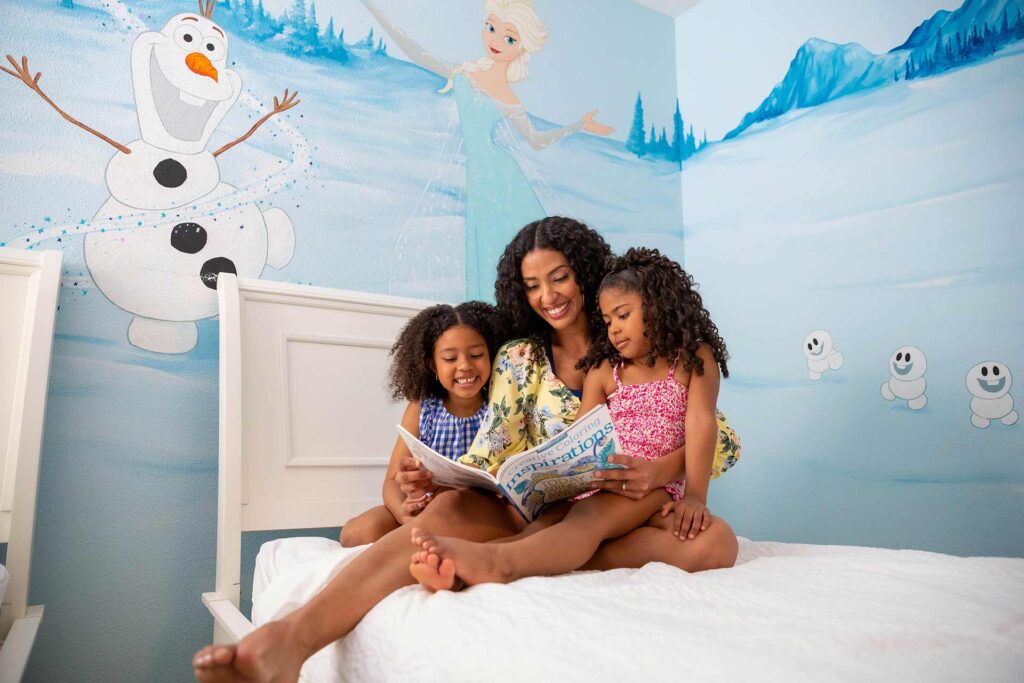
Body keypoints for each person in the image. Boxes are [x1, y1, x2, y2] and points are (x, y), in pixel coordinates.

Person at [191, 218, 728, 682]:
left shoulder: (642, 351)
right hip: (520, 506)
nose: (549, 295)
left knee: (713, 545)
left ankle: (538, 559)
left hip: (613, 506)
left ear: (588, 275)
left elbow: (715, 436)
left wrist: (659, 469)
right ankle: (289, 639)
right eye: (533, 285)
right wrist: (446, 476)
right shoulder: (519, 357)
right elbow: (493, 441)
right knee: (433, 521)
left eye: (560, 277)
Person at [409, 248, 739, 589]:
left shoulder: (694, 359)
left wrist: (696, 497)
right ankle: (466, 569)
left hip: (652, 487)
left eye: (623, 315)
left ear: (657, 306)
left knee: (713, 542)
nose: (614, 330)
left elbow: (701, 424)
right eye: (608, 321)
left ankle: (502, 564)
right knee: (548, 525)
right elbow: (579, 438)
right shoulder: (605, 370)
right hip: (599, 484)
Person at [362, 0, 614, 299]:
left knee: (521, 254)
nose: (495, 41)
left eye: (509, 38)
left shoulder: (509, 99)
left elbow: (536, 139)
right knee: (484, 247)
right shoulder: (464, 74)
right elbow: (416, 52)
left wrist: (577, 126)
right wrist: (373, 9)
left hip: (503, 177)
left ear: (522, 48)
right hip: (479, 175)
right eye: (491, 27)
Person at [339, 302, 505, 547]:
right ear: (432, 365)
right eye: (450, 358)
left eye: (477, 355)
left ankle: (431, 546)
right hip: (422, 509)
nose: (465, 366)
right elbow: (391, 482)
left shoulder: (502, 406)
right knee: (356, 533)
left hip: (475, 513)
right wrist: (404, 514)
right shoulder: (422, 408)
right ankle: (420, 540)